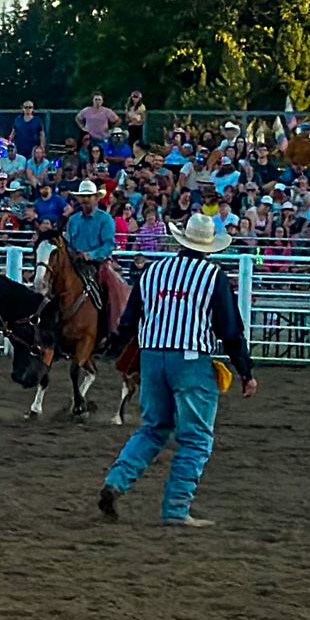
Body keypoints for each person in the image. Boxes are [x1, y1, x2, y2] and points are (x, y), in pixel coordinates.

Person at [98, 211, 257, 528]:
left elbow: (129, 320)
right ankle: (176, 508)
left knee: (154, 427)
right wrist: (245, 371)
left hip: (152, 356)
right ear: (210, 246)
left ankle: (117, 480)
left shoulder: (153, 272)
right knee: (196, 437)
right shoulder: (213, 277)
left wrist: (114, 350)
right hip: (190, 359)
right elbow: (230, 329)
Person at [62, 177, 126, 335]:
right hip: (75, 263)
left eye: (88, 197)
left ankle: (114, 328)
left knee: (112, 290)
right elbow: (68, 242)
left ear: (96, 198)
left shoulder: (105, 219)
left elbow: (108, 245)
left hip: (98, 264)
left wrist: (90, 255)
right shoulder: (73, 220)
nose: (85, 201)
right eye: (83, 197)